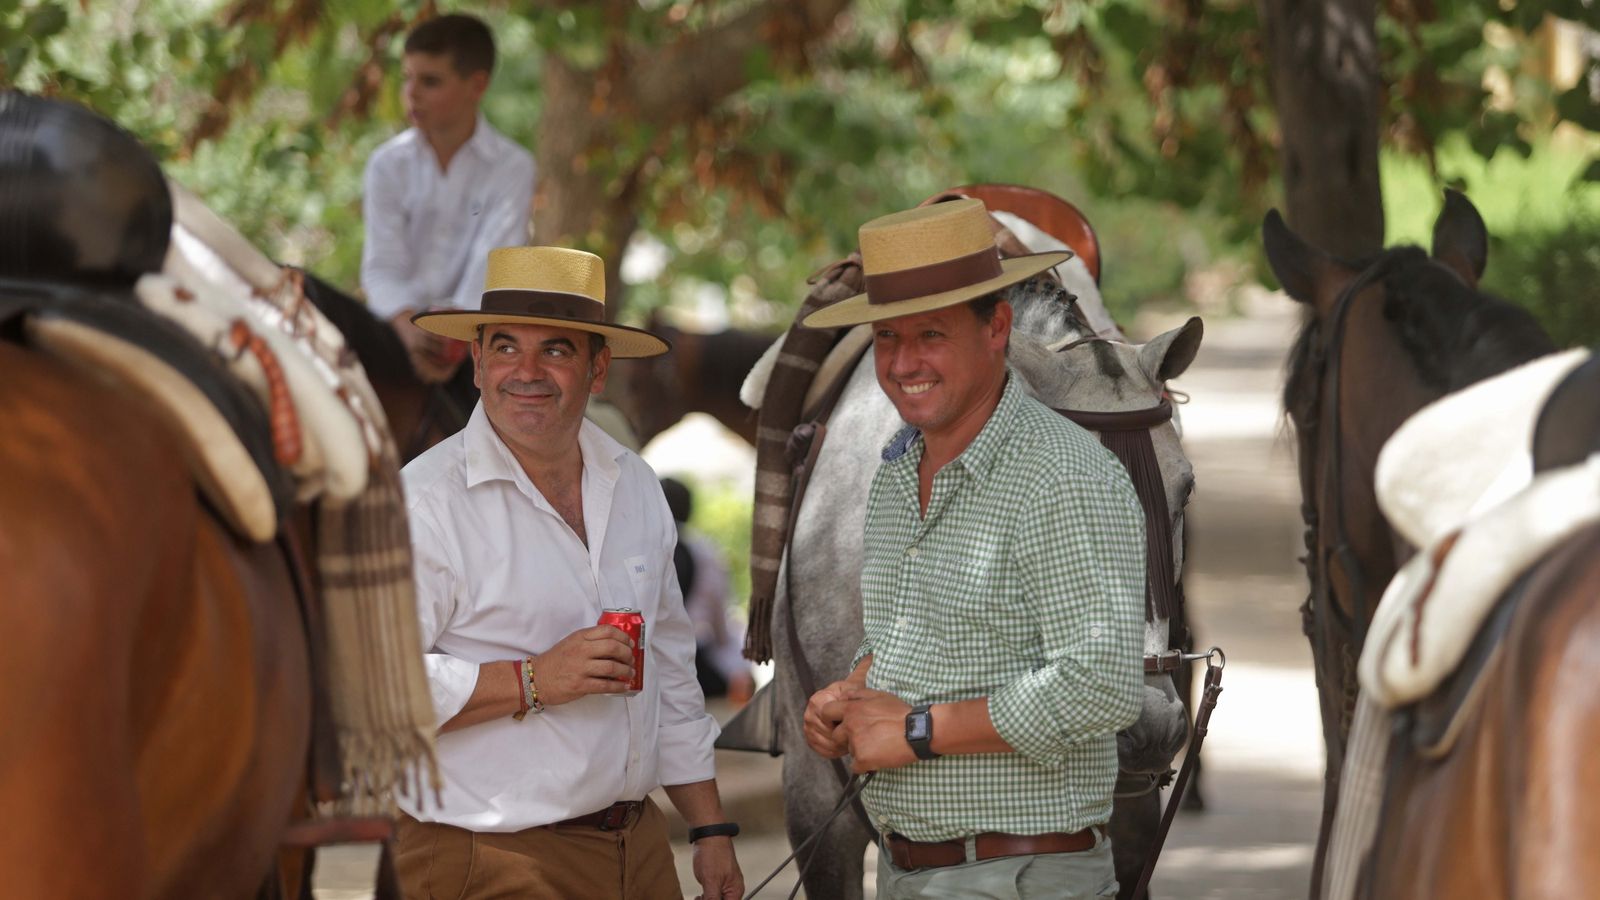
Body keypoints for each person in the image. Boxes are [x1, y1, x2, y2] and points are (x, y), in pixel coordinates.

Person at [799, 199, 1147, 898]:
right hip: (911, 875)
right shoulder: (898, 476)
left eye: (931, 334)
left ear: (996, 327)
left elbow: (1101, 685)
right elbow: (927, 639)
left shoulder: (1065, 475)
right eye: (887, 338)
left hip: (1021, 879)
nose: (904, 363)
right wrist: (857, 691)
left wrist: (919, 730)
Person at [398, 245, 744, 899]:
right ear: (475, 363)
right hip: (487, 856)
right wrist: (533, 680)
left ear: (598, 368)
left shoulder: (635, 483)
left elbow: (670, 669)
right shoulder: (422, 502)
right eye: (504, 348)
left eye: (555, 350)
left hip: (639, 849)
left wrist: (710, 828)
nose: (525, 372)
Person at [361, 13, 536, 384]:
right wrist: (406, 327)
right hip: (395, 333)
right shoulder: (386, 165)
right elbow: (382, 266)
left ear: (477, 85)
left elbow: (491, 270)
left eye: (431, 81)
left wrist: (451, 339)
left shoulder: (512, 167)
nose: (412, 93)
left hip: (475, 343)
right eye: (407, 78)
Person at [659, 477, 755, 702]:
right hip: (693, 661)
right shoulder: (704, 551)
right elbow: (719, 622)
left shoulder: (638, 547)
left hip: (645, 659)